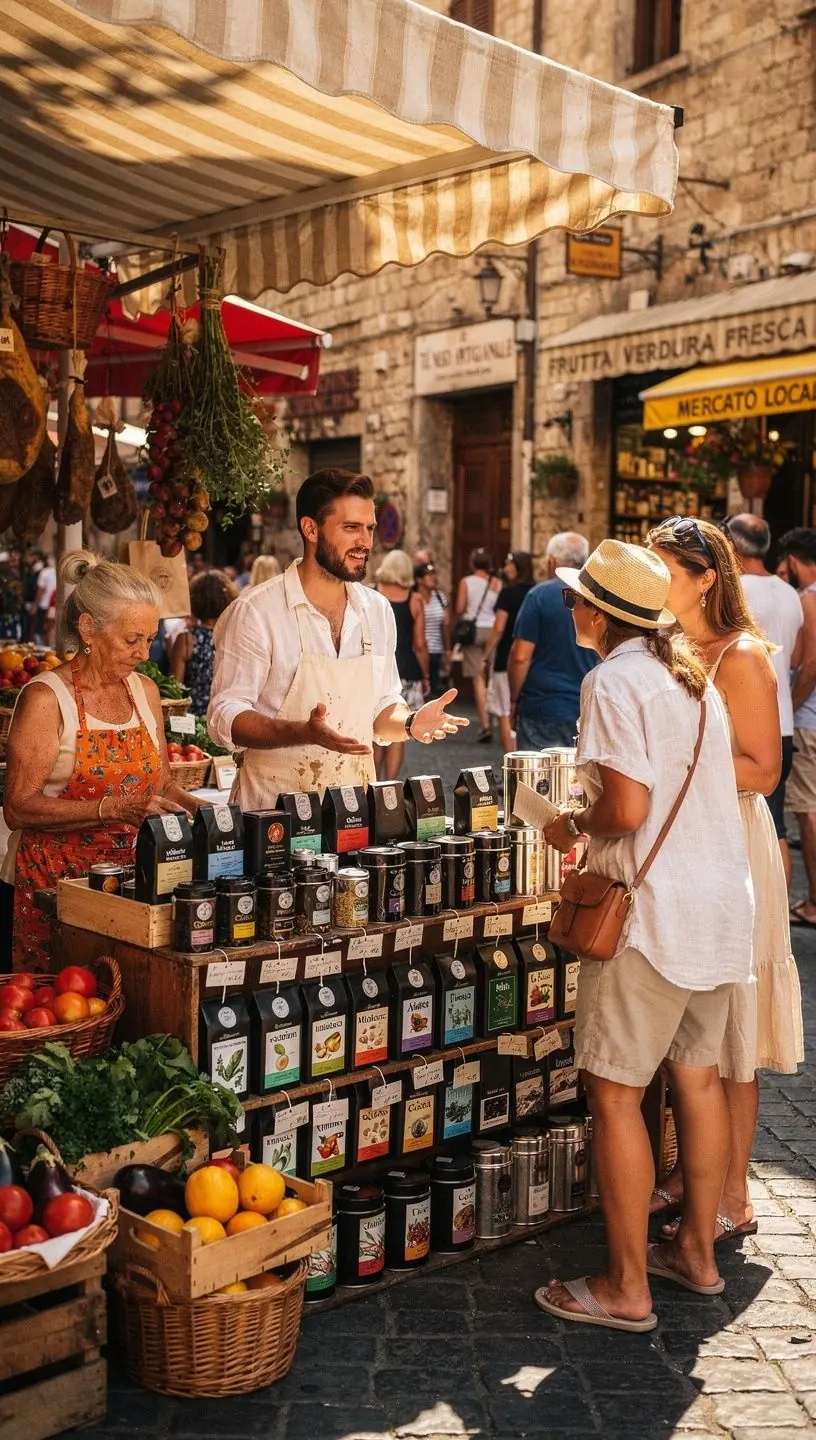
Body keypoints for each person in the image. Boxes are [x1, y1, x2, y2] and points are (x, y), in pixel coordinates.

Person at [536, 539, 753, 1330]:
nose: (569, 608)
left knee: (617, 1095)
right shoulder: (692, 677)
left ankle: (627, 1287)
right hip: (719, 905)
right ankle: (697, 1252)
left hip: (652, 915)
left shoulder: (612, 681)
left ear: (597, 611)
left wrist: (570, 822)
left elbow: (625, 811)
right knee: (697, 1083)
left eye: (574, 598)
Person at [648, 516, 803, 1244]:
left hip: (736, 841)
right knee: (695, 1025)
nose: (656, 581)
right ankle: (691, 1174)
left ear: (707, 576)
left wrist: (674, 768)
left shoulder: (741, 655)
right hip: (684, 841)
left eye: (668, 569)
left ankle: (734, 1192)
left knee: (735, 1029)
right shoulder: (670, 647)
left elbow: (765, 770)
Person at [207, 469, 466, 809]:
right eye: (351, 528)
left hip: (354, 813)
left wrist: (410, 722)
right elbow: (224, 717)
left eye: (369, 528)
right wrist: (301, 732)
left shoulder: (377, 610)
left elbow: (381, 709)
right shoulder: (256, 612)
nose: (366, 542)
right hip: (271, 815)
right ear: (310, 528)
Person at [3, 552, 200, 967]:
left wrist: (208, 812)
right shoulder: (45, 699)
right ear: (88, 628)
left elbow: (161, 782)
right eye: (132, 640)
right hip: (55, 890)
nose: (144, 653)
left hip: (134, 889)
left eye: (150, 639)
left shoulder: (144, 691)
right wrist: (112, 808)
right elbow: (18, 807)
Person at [724, 514, 804, 887]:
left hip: (743, 725)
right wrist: (790, 700)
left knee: (747, 826)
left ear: (733, 545)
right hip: (783, 722)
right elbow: (800, 658)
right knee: (776, 828)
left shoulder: (733, 591)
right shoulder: (790, 593)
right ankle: (780, 914)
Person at [508, 532, 597, 751]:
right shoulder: (597, 598)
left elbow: (520, 657)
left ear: (552, 562)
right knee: (576, 783)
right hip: (584, 706)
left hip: (541, 706)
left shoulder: (539, 595)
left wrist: (513, 699)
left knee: (535, 782)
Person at [776, 528, 816, 926]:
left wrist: (793, 702)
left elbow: (807, 663)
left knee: (807, 810)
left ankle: (815, 902)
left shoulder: (808, 598)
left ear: (791, 560)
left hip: (808, 720)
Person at [373, 550, 430, 781]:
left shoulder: (372, 595)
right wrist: (426, 674)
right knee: (400, 731)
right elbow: (420, 643)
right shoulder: (414, 600)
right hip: (406, 670)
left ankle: (372, 782)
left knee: (375, 730)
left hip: (377, 671)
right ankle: (390, 784)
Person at [483, 551, 534, 753]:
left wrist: (486, 656)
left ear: (518, 567)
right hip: (531, 660)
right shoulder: (536, 591)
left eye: (509, 563)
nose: (505, 567)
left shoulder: (508, 594)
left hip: (506, 658)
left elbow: (498, 628)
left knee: (504, 712)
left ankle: (512, 767)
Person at [169, 570, 237, 716]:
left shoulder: (187, 640)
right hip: (226, 719)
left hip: (193, 723)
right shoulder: (235, 638)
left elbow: (174, 691)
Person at [454, 549, 502, 742]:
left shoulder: (466, 582)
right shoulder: (496, 582)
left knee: (478, 678)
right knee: (491, 676)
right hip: (492, 630)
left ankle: (485, 725)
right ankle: (497, 718)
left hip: (474, 631)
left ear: (473, 563)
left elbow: (459, 608)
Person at [414, 561, 450, 698]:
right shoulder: (414, 598)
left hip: (436, 650)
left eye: (434, 574)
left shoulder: (440, 598)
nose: (433, 578)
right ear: (419, 579)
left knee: (434, 691)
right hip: (418, 650)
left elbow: (445, 625)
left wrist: (447, 651)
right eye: (429, 575)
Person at [33, 554, 56, 644]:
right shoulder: (56, 572)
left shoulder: (44, 572)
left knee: (41, 630)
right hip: (53, 606)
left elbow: (40, 590)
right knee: (50, 629)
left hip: (44, 605)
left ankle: (42, 648)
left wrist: (35, 605)